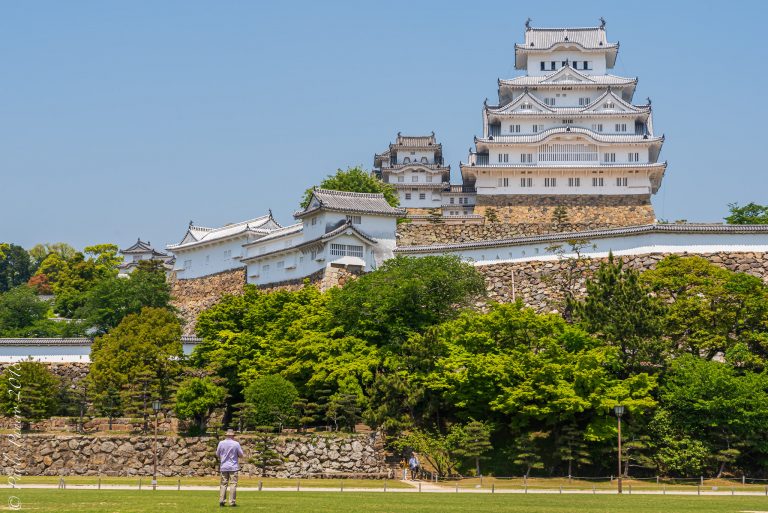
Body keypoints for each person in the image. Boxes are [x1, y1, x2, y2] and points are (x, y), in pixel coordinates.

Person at [216, 429, 244, 507]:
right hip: (233, 467)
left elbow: (217, 454)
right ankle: (232, 502)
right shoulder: (236, 444)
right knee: (233, 484)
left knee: (223, 484)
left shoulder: (221, 443)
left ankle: (222, 501)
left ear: (226, 435)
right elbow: (241, 455)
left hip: (224, 466)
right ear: (232, 436)